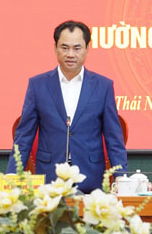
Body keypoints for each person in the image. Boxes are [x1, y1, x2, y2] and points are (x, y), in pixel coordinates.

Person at [8, 20, 127, 193]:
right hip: (49, 182)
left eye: (77, 48)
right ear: (55, 48)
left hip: (91, 181)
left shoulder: (103, 86)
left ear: (87, 49)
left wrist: (121, 178)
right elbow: (24, 136)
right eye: (64, 47)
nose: (70, 54)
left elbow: (114, 138)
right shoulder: (37, 85)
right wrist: (12, 176)